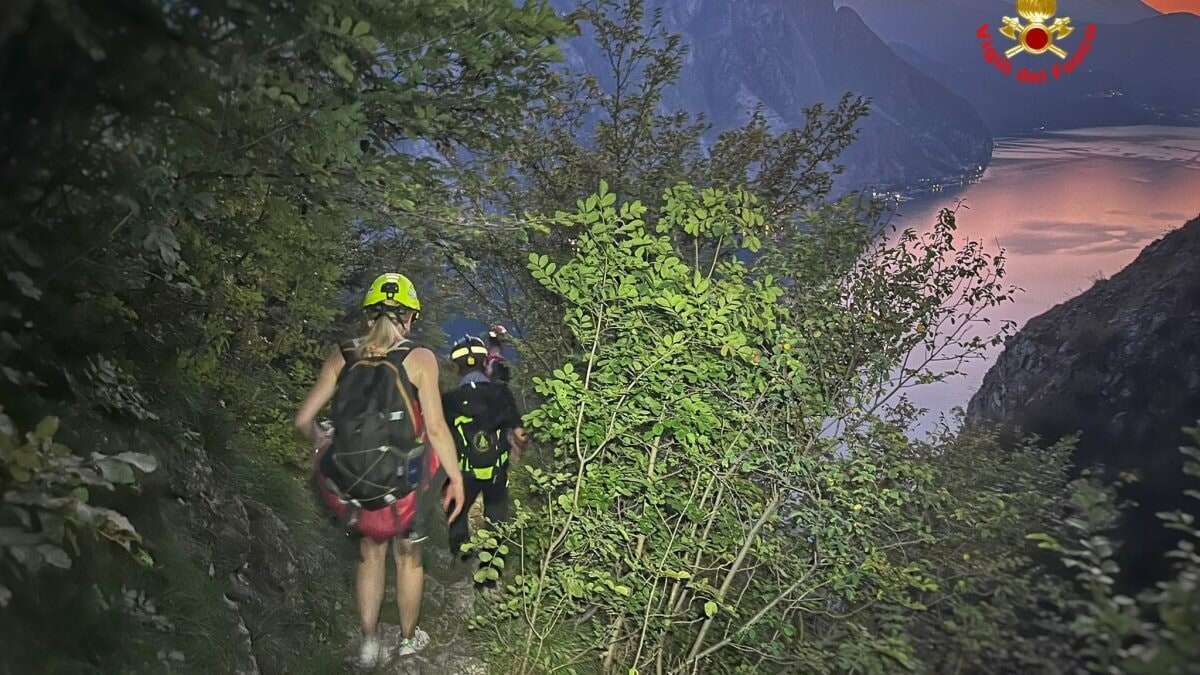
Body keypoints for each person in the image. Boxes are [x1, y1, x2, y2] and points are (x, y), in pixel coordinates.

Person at [294, 272, 465, 668]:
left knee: (369, 554)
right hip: (402, 484)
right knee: (409, 557)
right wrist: (455, 477)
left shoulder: (343, 356)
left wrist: (322, 440)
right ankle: (407, 641)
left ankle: (369, 643)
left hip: (355, 485)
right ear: (410, 317)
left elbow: (303, 419)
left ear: (369, 315)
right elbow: (436, 428)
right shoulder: (419, 358)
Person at [442, 331, 529, 572]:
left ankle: (461, 561)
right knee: (497, 519)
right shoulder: (501, 393)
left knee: (457, 513)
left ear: (456, 367)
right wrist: (519, 452)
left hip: (463, 474)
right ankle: (492, 573)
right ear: (484, 362)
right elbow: (521, 434)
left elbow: (441, 438)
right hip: (496, 473)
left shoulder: (449, 400)